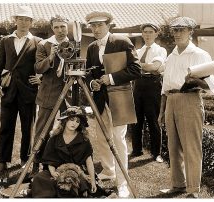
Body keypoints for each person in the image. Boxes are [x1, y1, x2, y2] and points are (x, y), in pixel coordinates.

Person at [158, 17, 214, 198]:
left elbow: (209, 86)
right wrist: (162, 111)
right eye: (175, 30)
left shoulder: (199, 54)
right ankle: (178, 185)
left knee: (191, 147)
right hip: (171, 101)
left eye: (181, 30)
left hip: (190, 100)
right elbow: (165, 87)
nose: (177, 33)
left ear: (191, 32)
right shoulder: (171, 55)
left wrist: (194, 79)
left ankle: (193, 190)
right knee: (173, 146)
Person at [85, 11, 141, 197]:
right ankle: (109, 170)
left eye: (100, 25)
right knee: (101, 136)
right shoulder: (92, 47)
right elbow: (90, 72)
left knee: (118, 139)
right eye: (93, 26)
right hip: (100, 100)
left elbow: (135, 69)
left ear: (108, 25)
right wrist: (92, 82)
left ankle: (122, 181)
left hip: (119, 98)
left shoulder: (122, 41)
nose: (96, 29)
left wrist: (112, 78)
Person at [0, 6, 42, 172]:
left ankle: (24, 160)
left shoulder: (37, 42)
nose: (23, 22)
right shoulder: (6, 40)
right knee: (5, 126)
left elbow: (42, 65)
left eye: (27, 19)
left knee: (28, 127)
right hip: (8, 90)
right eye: (20, 18)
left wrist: (40, 78)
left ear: (31, 22)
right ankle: (2, 161)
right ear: (16, 20)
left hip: (29, 91)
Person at [32, 15, 70, 174]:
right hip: (48, 93)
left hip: (68, 94)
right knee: (42, 131)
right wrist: (51, 56)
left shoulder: (74, 44)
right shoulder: (44, 44)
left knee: (69, 129)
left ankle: (65, 164)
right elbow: (38, 68)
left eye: (63, 27)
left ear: (68, 27)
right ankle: (35, 164)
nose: (60, 30)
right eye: (57, 27)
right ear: (52, 29)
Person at [31, 106, 97, 198]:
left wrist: (93, 180)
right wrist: (53, 172)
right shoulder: (55, 137)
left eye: (77, 121)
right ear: (66, 120)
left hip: (76, 172)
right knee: (39, 178)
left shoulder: (83, 139)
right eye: (72, 120)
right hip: (57, 171)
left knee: (77, 183)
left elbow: (89, 161)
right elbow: (50, 159)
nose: (74, 123)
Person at [131, 23, 167, 163]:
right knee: (136, 119)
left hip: (153, 85)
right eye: (145, 32)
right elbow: (135, 69)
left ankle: (156, 153)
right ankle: (136, 150)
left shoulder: (160, 50)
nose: (147, 34)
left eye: (150, 32)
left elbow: (155, 67)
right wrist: (148, 67)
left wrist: (140, 66)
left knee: (153, 120)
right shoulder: (138, 51)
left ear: (156, 34)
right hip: (138, 84)